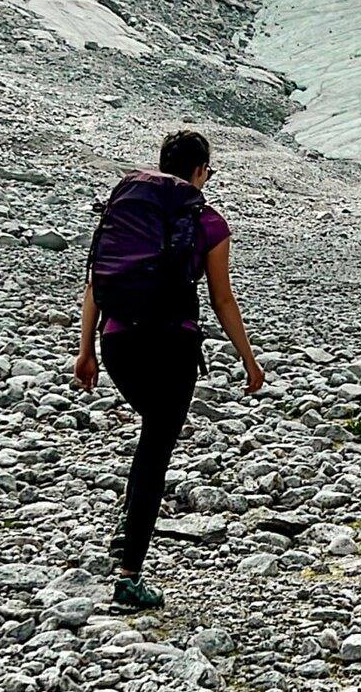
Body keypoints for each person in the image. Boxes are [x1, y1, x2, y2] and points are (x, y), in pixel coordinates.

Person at [73, 129, 263, 611]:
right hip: (172, 347)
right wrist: (248, 357)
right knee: (156, 448)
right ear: (200, 171)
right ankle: (128, 575)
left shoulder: (128, 211)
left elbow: (96, 280)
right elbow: (221, 298)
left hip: (117, 343)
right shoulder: (208, 222)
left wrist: (86, 350)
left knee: (150, 435)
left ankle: (127, 528)